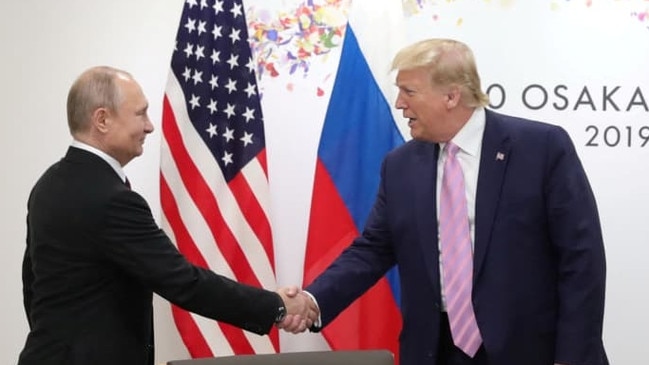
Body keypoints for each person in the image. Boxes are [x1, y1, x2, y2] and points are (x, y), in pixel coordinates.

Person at [299, 39, 608, 365]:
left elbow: (582, 261)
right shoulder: (399, 166)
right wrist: (312, 300)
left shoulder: (541, 148)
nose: (399, 103)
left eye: (409, 91)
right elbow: (373, 249)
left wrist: (573, 357)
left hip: (530, 350)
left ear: (451, 95)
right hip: (437, 350)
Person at [19, 66, 312, 365]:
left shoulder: (47, 185)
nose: (149, 127)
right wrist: (275, 306)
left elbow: (33, 283)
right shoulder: (112, 199)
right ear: (102, 120)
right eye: (140, 114)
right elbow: (183, 281)